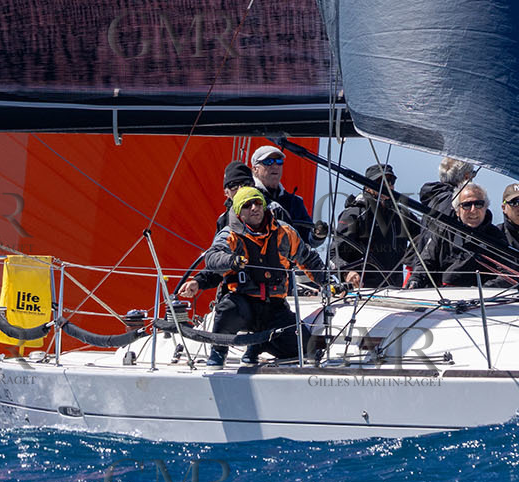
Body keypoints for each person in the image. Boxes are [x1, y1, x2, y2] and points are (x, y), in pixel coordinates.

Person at [177, 186, 331, 367]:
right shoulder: (230, 234)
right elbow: (213, 258)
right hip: (243, 304)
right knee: (228, 309)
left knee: (302, 348)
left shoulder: (285, 232)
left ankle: (257, 345)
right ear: (238, 211)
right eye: (247, 205)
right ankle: (218, 351)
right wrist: (227, 263)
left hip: (274, 306)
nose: (254, 208)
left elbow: (307, 258)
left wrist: (327, 282)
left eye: (258, 203)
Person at [330, 163, 417, 289]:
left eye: (391, 181)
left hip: (397, 293)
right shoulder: (354, 214)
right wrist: (346, 272)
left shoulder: (401, 215)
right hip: (362, 292)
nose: (388, 185)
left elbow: (426, 237)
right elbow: (333, 254)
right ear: (367, 186)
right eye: (381, 181)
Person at [410, 181, 510, 288]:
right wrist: (415, 281)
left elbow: (507, 275)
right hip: (439, 294)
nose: (473, 210)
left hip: (480, 295)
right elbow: (425, 262)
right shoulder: (443, 230)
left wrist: (482, 289)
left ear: (486, 207)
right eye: (467, 205)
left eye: (478, 204)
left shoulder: (496, 237)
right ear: (457, 211)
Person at [248, 144, 317, 240]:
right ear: (255, 169)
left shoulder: (295, 202)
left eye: (279, 161)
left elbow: (308, 239)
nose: (275, 166)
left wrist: (317, 235)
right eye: (268, 162)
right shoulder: (246, 198)